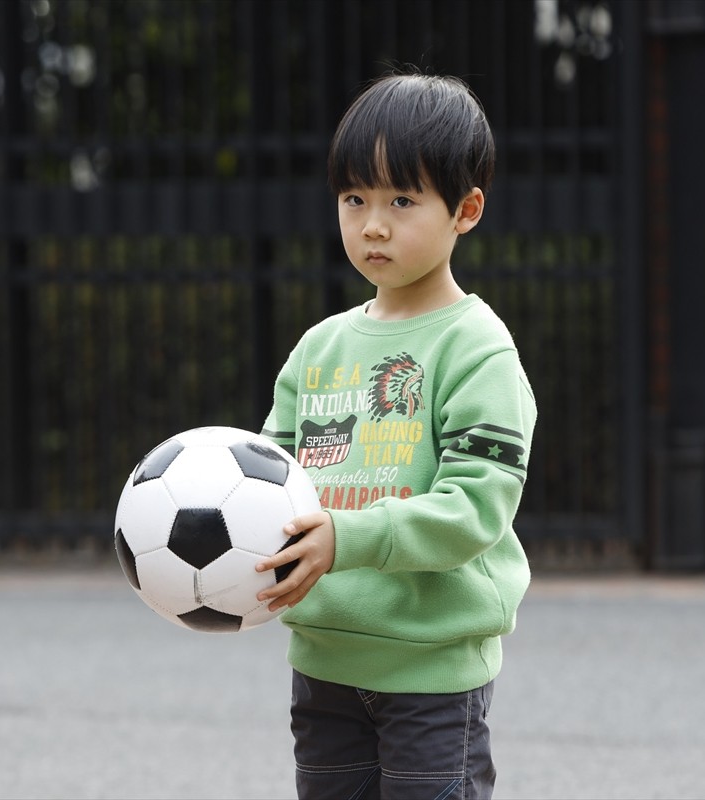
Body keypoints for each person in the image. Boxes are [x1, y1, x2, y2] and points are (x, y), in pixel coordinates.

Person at [254, 71, 538, 799]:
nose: (372, 223)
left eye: (401, 200)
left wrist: (346, 538)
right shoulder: (319, 349)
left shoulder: (477, 348)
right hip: (324, 666)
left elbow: (475, 510)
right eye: (355, 199)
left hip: (432, 676)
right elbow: (263, 489)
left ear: (466, 210)